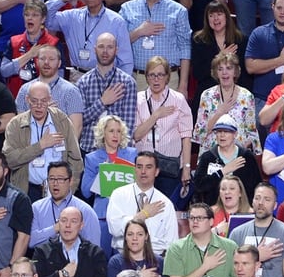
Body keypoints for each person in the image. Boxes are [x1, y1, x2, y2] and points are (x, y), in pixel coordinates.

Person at [2, 82, 83, 200]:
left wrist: (70, 190)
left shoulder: (62, 120)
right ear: (27, 99)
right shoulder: (16, 124)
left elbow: (75, 159)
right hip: (27, 190)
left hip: (58, 190)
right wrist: (40, 146)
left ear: (50, 99)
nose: (39, 106)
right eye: (34, 101)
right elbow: (9, 160)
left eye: (44, 101)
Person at [120, 0, 191, 94]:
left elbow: (185, 48)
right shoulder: (127, 8)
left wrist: (183, 85)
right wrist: (139, 32)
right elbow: (118, 44)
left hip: (169, 79)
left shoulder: (178, 11)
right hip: (138, 79)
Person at [45, 0, 133, 81]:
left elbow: (126, 59)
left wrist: (121, 85)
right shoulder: (71, 17)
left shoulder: (116, 21)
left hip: (105, 77)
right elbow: (45, 16)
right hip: (76, 77)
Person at [132, 56, 194, 200]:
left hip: (170, 167)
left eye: (160, 75)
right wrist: (156, 115)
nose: (156, 79)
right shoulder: (138, 99)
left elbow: (186, 137)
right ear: (146, 77)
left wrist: (186, 167)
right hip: (144, 168)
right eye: (152, 75)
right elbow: (136, 135)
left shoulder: (178, 99)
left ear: (167, 77)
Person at [80, 114, 138, 258]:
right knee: (102, 259)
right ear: (103, 133)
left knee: (126, 260)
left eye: (119, 131)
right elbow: (85, 191)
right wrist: (102, 173)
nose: (115, 135)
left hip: (127, 215)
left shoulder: (132, 154)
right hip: (103, 217)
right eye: (111, 131)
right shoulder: (92, 158)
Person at [77, 32, 138, 155]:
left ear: (116, 50)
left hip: (118, 153)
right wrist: (102, 102)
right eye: (101, 46)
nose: (105, 51)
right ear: (95, 50)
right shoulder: (83, 82)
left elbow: (128, 125)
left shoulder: (127, 83)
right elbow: (80, 121)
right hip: (89, 149)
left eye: (110, 47)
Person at [106, 152, 178, 255]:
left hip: (155, 257)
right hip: (123, 256)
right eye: (139, 167)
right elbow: (114, 229)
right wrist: (143, 215)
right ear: (135, 170)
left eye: (148, 167)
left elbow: (172, 242)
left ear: (156, 172)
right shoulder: (119, 194)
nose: (143, 171)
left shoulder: (165, 203)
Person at [192, 54, 259, 152]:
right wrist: (219, 112)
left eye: (229, 68)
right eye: (220, 69)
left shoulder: (247, 96)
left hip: (238, 153)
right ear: (216, 73)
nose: (224, 72)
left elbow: (252, 132)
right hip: (212, 153)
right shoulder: (207, 95)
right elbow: (199, 134)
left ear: (235, 72)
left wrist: (241, 150)